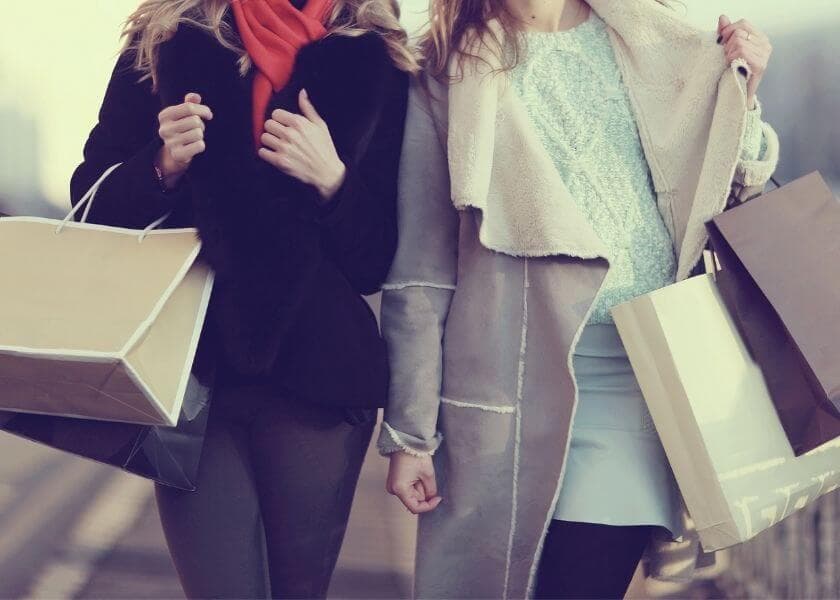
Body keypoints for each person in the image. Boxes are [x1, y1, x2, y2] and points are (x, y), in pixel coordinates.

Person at [380, 0, 778, 598]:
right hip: (504, 395)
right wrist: (411, 433)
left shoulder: (659, 42)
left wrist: (741, 95)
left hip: (637, 385)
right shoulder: (443, 70)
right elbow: (422, 269)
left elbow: (729, 199)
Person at [70, 0, 413, 597]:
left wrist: (332, 179)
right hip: (193, 373)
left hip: (321, 382)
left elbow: (375, 261)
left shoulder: (378, 55)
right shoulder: (164, 40)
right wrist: (161, 165)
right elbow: (89, 211)